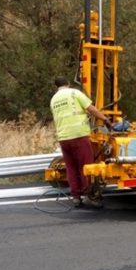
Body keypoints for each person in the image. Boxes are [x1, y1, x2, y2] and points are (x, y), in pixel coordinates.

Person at [50, 76, 112, 208]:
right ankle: (88, 196)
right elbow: (92, 109)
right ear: (68, 83)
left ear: (57, 86)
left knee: (71, 168)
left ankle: (76, 197)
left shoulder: (53, 99)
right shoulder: (74, 93)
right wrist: (105, 119)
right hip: (78, 135)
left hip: (63, 138)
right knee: (86, 166)